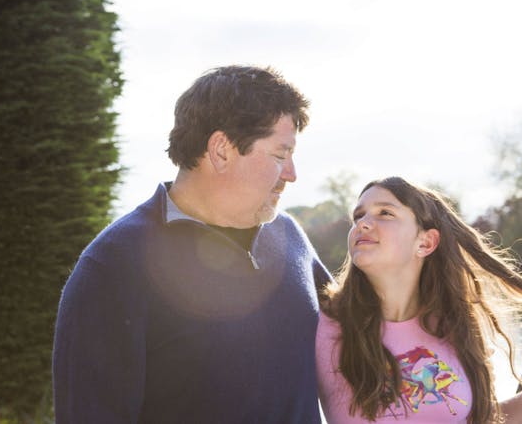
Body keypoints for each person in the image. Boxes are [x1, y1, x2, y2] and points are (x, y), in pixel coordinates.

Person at [53, 65, 331, 424]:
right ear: (222, 150)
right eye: (280, 155)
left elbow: (367, 337)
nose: (292, 174)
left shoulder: (290, 237)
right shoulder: (112, 265)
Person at [316, 176, 522, 423]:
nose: (362, 223)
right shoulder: (320, 323)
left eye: (385, 213)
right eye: (359, 215)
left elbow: (485, 419)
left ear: (426, 243)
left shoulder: (455, 327)